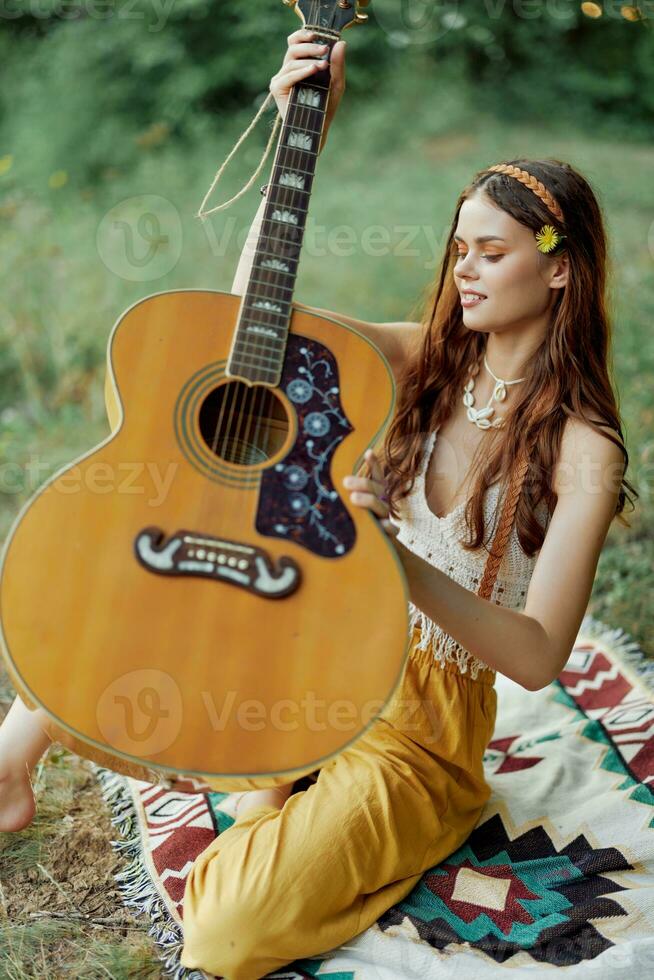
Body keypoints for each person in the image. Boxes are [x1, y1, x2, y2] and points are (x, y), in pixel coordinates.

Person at [0, 27, 635, 980]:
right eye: (459, 247)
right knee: (155, 553)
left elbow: (542, 655)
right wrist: (309, 128)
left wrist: (394, 558)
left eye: (490, 252)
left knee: (223, 933)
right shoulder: (431, 357)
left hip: (420, 734)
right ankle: (19, 751)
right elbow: (260, 318)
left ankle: (262, 791)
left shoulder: (583, 447)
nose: (462, 268)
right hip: (318, 644)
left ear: (558, 269)